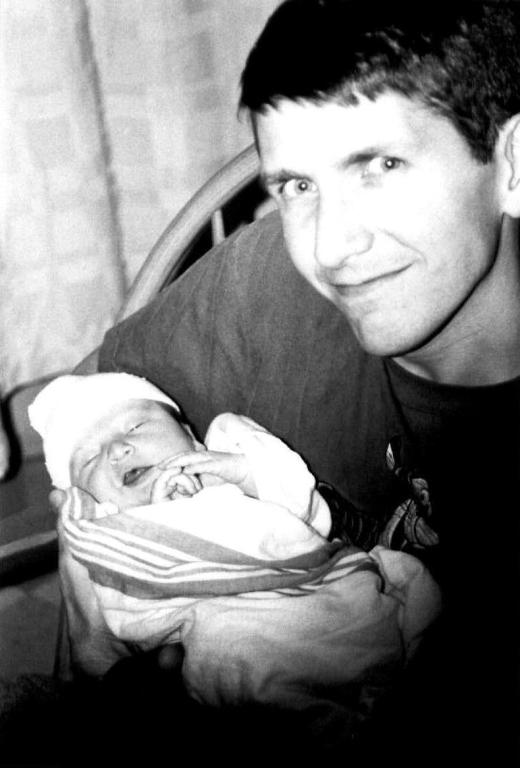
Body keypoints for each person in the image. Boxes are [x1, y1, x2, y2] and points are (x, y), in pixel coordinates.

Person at [54, 0, 520, 761]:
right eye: (297, 185)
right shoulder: (265, 280)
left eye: (381, 167)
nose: (329, 249)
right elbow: (85, 404)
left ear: (512, 166)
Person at [30, 371, 440, 751]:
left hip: (323, 595)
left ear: (190, 437)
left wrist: (239, 471)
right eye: (90, 459)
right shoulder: (121, 534)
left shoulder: (227, 452)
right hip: (239, 648)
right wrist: (153, 524)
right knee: (230, 662)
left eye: (136, 426)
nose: (117, 450)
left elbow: (307, 505)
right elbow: (130, 613)